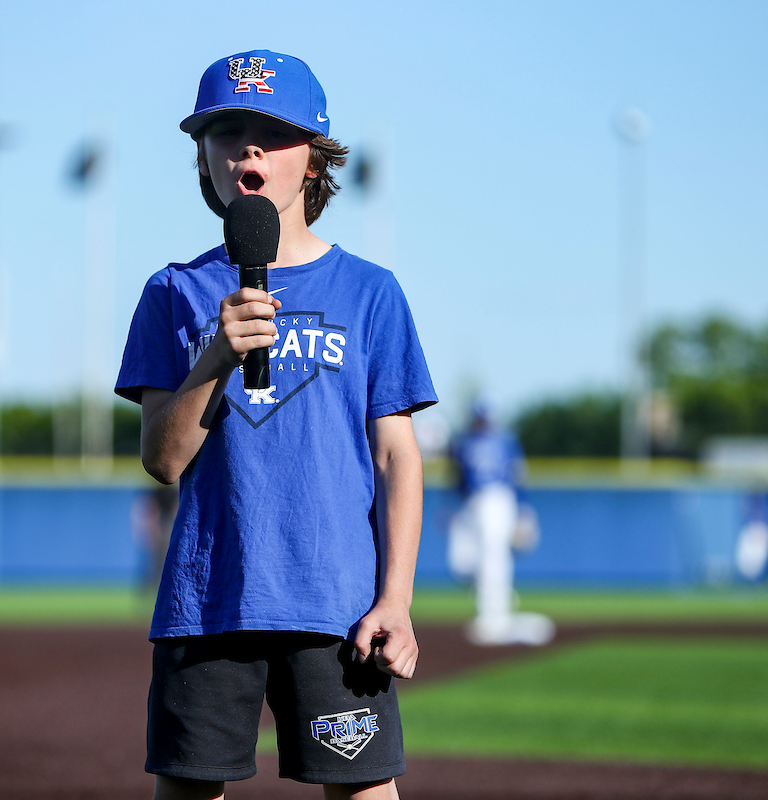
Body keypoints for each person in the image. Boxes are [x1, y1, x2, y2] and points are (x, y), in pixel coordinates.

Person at [115, 50, 437, 800]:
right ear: (203, 159)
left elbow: (397, 458)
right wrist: (216, 358)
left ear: (316, 162)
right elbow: (162, 460)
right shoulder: (174, 292)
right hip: (208, 602)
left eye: (272, 133)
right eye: (226, 131)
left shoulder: (371, 292)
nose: (247, 149)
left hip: (337, 603)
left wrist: (396, 598)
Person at [448, 404, 553, 646]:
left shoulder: (506, 442)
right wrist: (453, 507)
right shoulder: (464, 442)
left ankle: (493, 616)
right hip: (472, 503)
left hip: (498, 500)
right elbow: (458, 480)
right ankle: (499, 603)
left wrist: (524, 511)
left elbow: (518, 478)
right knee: (463, 563)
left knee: (493, 559)